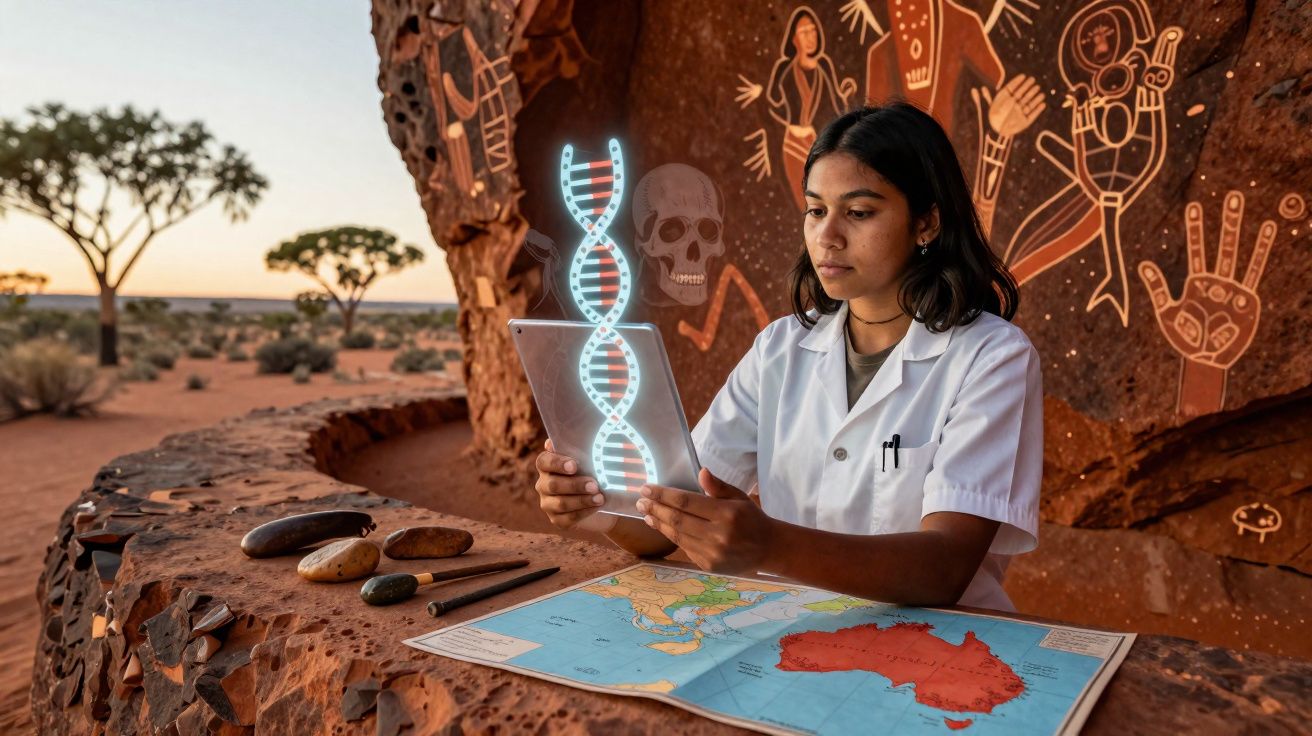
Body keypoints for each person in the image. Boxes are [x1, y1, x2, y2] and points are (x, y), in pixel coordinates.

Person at [533, 102, 1041, 611]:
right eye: (816, 210)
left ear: (926, 223)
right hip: (796, 644)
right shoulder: (779, 349)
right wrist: (593, 504)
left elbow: (943, 569)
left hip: (933, 657)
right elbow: (666, 527)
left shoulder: (991, 358)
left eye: (859, 213)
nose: (828, 235)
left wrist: (771, 544)